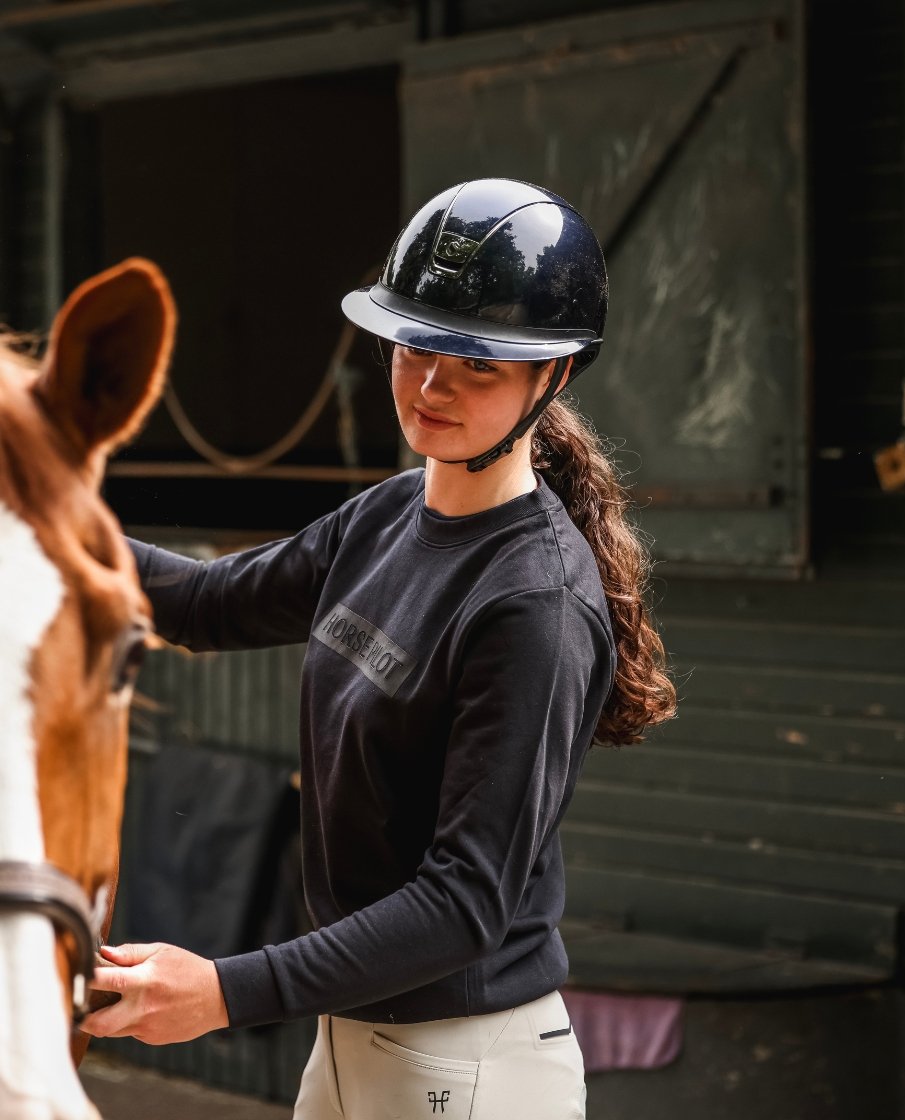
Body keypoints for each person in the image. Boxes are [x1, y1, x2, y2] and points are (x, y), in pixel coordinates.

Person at [83, 178, 676, 1119]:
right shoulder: (391, 514)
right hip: (350, 1045)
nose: (432, 386)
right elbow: (200, 605)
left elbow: (464, 902)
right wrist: (41, 521)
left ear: (553, 376)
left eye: (476, 365)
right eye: (414, 348)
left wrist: (224, 991)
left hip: (468, 1068)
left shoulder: (534, 603)